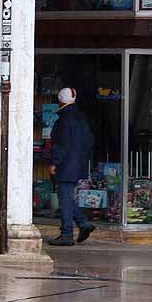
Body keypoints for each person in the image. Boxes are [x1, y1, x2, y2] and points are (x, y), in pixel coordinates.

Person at [47, 87, 95, 246]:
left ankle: (67, 234)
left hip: (66, 165)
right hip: (77, 163)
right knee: (66, 198)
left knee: (65, 200)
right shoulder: (81, 118)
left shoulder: (64, 120)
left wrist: (55, 162)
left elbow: (62, 145)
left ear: (60, 100)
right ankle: (83, 224)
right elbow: (89, 142)